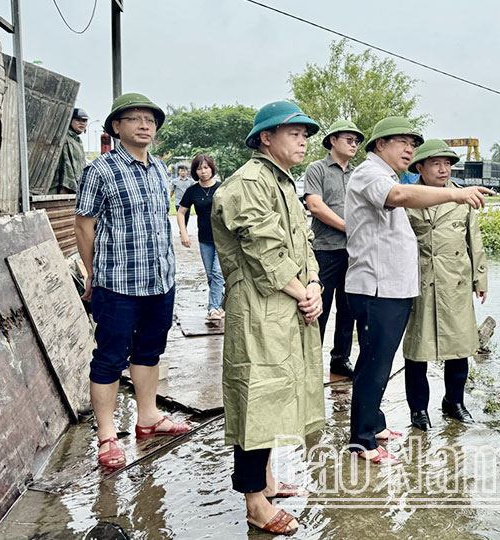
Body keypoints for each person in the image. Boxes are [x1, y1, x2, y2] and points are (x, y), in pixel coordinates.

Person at [345, 117, 492, 464]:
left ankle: (375, 424)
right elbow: (399, 197)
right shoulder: (372, 175)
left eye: (413, 143)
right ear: (380, 145)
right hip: (379, 286)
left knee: (379, 362)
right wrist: (456, 193)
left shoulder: (385, 175)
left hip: (395, 286)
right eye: (402, 142)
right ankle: (363, 441)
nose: (410, 148)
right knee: (376, 363)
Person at [210, 101, 325, 536]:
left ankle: (269, 482)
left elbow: (304, 244)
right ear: (265, 138)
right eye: (293, 132)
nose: (302, 140)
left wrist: (312, 285)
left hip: (290, 305)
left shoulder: (283, 183)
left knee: (277, 396)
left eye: (304, 133)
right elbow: (265, 253)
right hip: (259, 309)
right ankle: (255, 503)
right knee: (256, 400)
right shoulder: (247, 184)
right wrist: (303, 291)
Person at [74, 93, 191, 470]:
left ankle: (148, 418)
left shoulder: (159, 169)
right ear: (116, 127)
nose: (145, 125)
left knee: (149, 352)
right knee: (109, 359)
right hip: (118, 284)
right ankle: (107, 435)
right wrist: (93, 275)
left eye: (151, 120)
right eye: (135, 119)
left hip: (160, 281)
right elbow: (83, 225)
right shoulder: (101, 170)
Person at [402, 140, 488, 430]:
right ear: (420, 168)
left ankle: (454, 402)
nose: (443, 169)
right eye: (436, 164)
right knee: (417, 349)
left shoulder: (462, 198)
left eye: (448, 164)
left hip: (456, 280)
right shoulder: (408, 198)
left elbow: (473, 239)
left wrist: (480, 278)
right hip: (420, 280)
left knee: (459, 344)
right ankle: (418, 409)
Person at [303, 120, 364, 380]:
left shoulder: (358, 174)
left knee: (348, 308)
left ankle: (340, 358)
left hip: (353, 252)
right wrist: (348, 227)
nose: (354, 144)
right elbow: (315, 206)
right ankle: (309, 363)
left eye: (356, 141)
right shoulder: (317, 169)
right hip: (325, 250)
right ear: (332, 140)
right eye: (348, 139)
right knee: (320, 308)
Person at [176, 154, 225, 320]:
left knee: (218, 273)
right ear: (194, 171)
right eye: (199, 168)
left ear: (212, 168)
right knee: (211, 275)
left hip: (223, 239)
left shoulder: (222, 188)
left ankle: (214, 308)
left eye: (206, 167)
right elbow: (181, 212)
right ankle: (221, 303)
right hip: (205, 239)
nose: (203, 171)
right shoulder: (192, 191)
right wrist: (183, 232)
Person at [50, 107, 88, 194]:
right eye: (78, 120)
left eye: (84, 121)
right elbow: (67, 166)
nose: (82, 123)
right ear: (70, 120)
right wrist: (65, 190)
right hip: (64, 188)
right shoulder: (66, 139)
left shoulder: (77, 140)